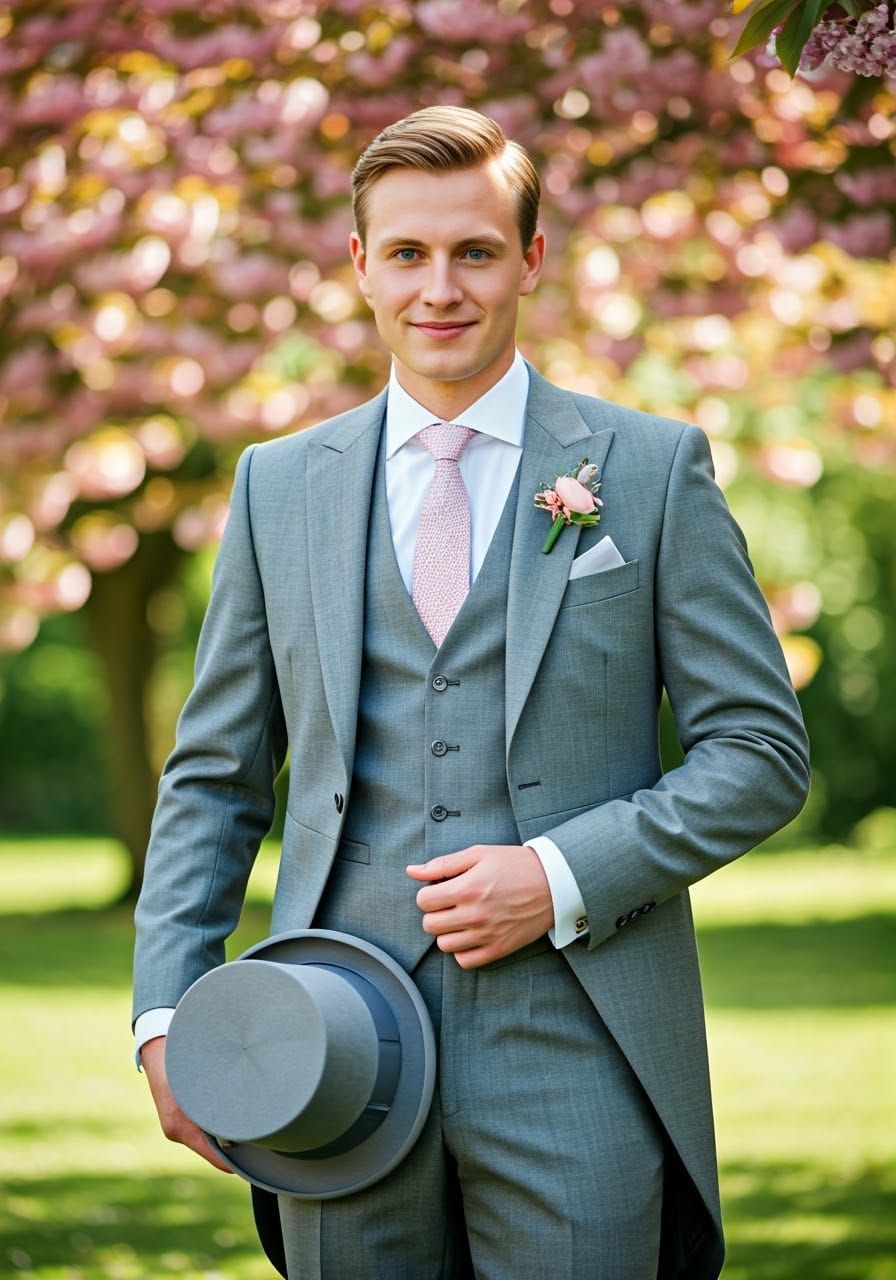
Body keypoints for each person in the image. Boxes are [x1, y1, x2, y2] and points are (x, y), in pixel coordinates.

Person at [133, 105, 810, 1280]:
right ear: (358, 264)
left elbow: (757, 750)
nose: (438, 288)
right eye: (405, 252)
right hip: (327, 1042)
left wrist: (555, 875)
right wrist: (164, 1013)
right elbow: (213, 774)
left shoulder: (648, 470)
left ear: (529, 260)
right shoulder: (276, 486)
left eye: (474, 251)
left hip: (579, 1041)